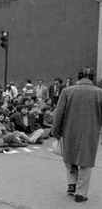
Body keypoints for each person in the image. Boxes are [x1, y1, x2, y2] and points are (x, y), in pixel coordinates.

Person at [52, 67, 102, 203]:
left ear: (78, 77)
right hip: (91, 132)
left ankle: (71, 183)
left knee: (70, 156)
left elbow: (58, 113)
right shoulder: (99, 93)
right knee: (85, 162)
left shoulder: (67, 91)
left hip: (69, 130)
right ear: (92, 77)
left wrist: (55, 131)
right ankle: (81, 193)